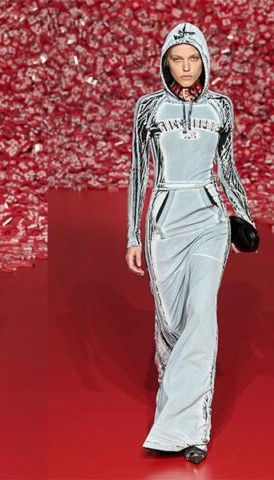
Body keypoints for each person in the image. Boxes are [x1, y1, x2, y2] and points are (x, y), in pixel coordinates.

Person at [126, 23, 255, 464]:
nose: (185, 67)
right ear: (165, 63)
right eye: (177, 59)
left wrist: (242, 219)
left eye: (193, 58)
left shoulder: (221, 107)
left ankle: (190, 429)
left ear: (205, 60)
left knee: (202, 312)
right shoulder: (148, 108)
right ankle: (175, 392)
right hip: (164, 224)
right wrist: (132, 235)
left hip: (209, 219)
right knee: (172, 319)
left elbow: (228, 168)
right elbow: (138, 174)